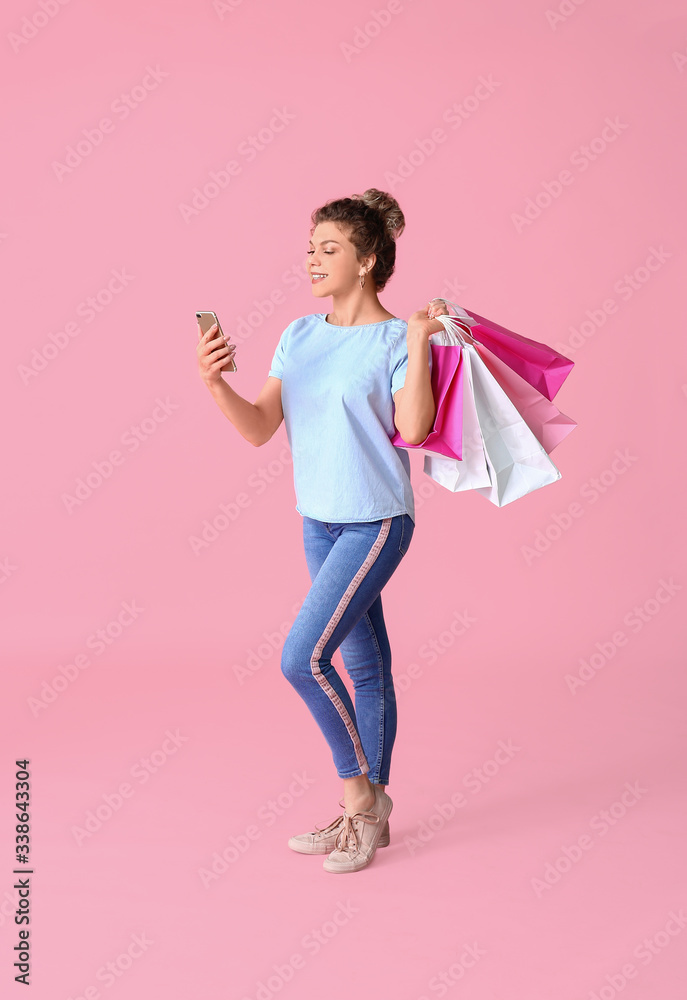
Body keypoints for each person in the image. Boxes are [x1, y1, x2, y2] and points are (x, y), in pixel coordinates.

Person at [196, 188, 448, 873]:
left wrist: (420, 342)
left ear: (367, 261)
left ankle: (361, 800)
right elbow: (258, 430)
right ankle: (367, 818)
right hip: (319, 519)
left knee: (301, 659)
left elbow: (416, 429)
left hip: (375, 520)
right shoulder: (298, 335)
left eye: (328, 249)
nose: (312, 260)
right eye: (309, 248)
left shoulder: (397, 337)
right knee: (364, 666)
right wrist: (216, 383)